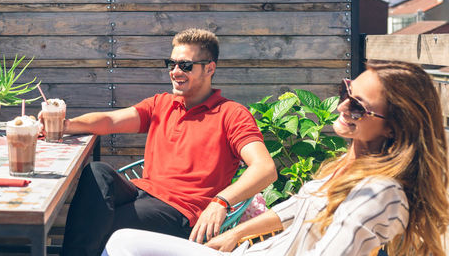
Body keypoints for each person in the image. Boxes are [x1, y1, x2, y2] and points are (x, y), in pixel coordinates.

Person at [103, 60, 449, 256]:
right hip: (250, 252)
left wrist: (223, 206)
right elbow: (297, 207)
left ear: (393, 128)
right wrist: (237, 235)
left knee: (124, 244)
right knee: (122, 241)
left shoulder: (379, 193)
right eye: (346, 91)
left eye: (358, 106)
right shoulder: (349, 165)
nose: (343, 107)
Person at [52, 28, 277, 255]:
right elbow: (110, 121)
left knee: (98, 222)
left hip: (183, 213)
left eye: (185, 65)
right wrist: (65, 124)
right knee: (96, 172)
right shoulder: (161, 104)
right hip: (143, 193)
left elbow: (265, 168)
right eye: (171, 64)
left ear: (210, 68)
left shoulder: (231, 114)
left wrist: (221, 201)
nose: (175, 71)